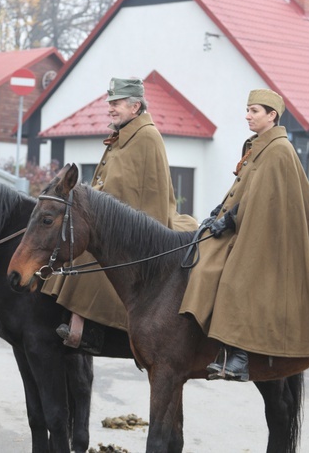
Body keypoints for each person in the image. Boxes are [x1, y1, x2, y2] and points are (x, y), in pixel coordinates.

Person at [179, 89, 309, 382]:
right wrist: (218, 215)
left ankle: (239, 355)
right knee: (202, 261)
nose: (247, 116)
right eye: (248, 110)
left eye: (254, 110)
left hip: (271, 236)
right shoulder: (258, 146)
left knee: (235, 277)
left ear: (271, 115)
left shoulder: (279, 150)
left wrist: (229, 221)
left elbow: (266, 201)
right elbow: (243, 193)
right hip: (248, 227)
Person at [47, 77, 197, 354]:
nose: (111, 109)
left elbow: (151, 193)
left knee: (95, 256)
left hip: (134, 228)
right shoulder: (123, 134)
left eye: (116, 104)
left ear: (135, 106)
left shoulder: (147, 137)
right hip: (108, 221)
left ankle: (93, 329)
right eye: (111, 103)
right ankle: (71, 315)